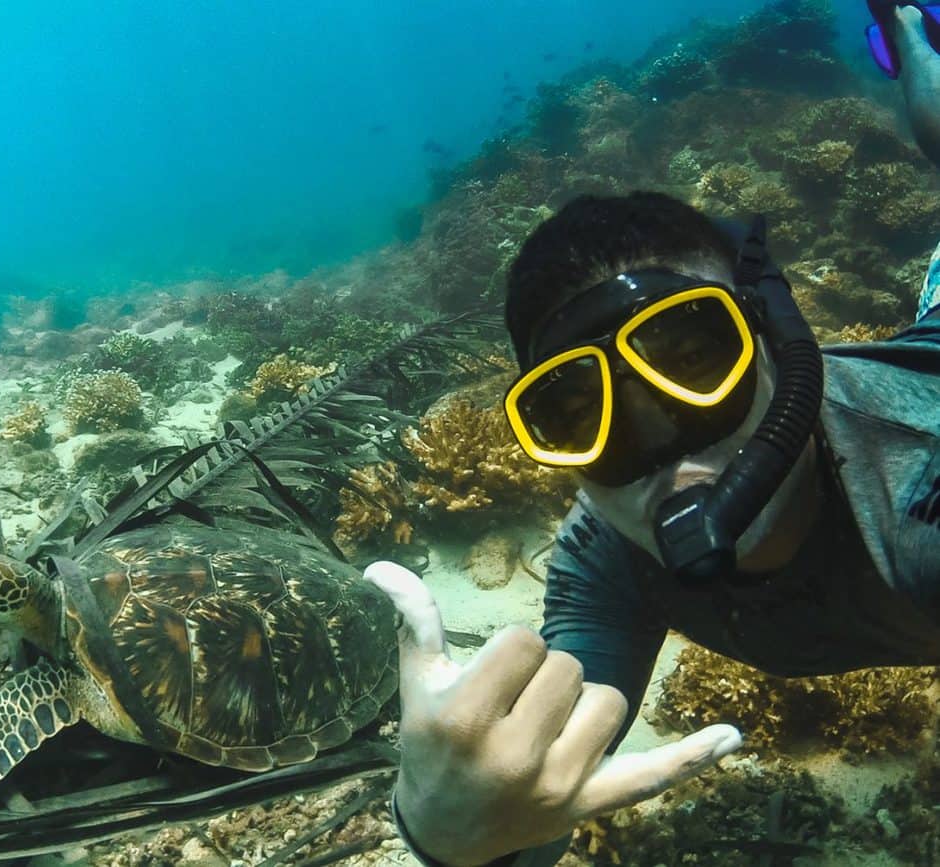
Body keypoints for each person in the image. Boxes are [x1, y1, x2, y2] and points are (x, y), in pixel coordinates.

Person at [367, 3, 940, 865]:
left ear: (783, 343)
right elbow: (538, 788)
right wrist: (451, 832)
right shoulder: (608, 559)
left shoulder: (916, 502)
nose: (660, 443)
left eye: (692, 356)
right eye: (575, 410)